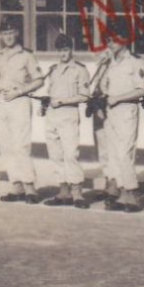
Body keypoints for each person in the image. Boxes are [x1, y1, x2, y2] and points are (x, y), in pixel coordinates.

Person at [0, 16, 44, 202]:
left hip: (20, 101)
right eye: (4, 33)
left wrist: (20, 91)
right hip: (3, 103)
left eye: (10, 32)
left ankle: (30, 188)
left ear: (17, 33)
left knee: (21, 145)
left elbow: (39, 80)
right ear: (0, 35)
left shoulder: (26, 55)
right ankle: (17, 187)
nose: (7, 36)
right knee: (6, 147)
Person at [40, 33, 92, 208]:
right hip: (52, 116)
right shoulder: (53, 69)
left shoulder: (79, 69)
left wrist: (63, 101)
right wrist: (45, 104)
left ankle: (77, 193)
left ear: (71, 49)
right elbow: (50, 92)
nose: (63, 53)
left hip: (69, 115)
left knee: (71, 154)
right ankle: (63, 191)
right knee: (56, 155)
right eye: (60, 50)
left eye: (66, 50)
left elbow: (85, 96)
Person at [100, 38, 144, 212]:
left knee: (124, 152)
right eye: (109, 40)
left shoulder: (135, 62)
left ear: (124, 41)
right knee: (113, 153)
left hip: (127, 110)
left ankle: (133, 194)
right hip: (111, 111)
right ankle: (122, 193)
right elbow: (103, 86)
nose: (110, 43)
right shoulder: (110, 62)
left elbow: (143, 89)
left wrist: (119, 98)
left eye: (114, 40)